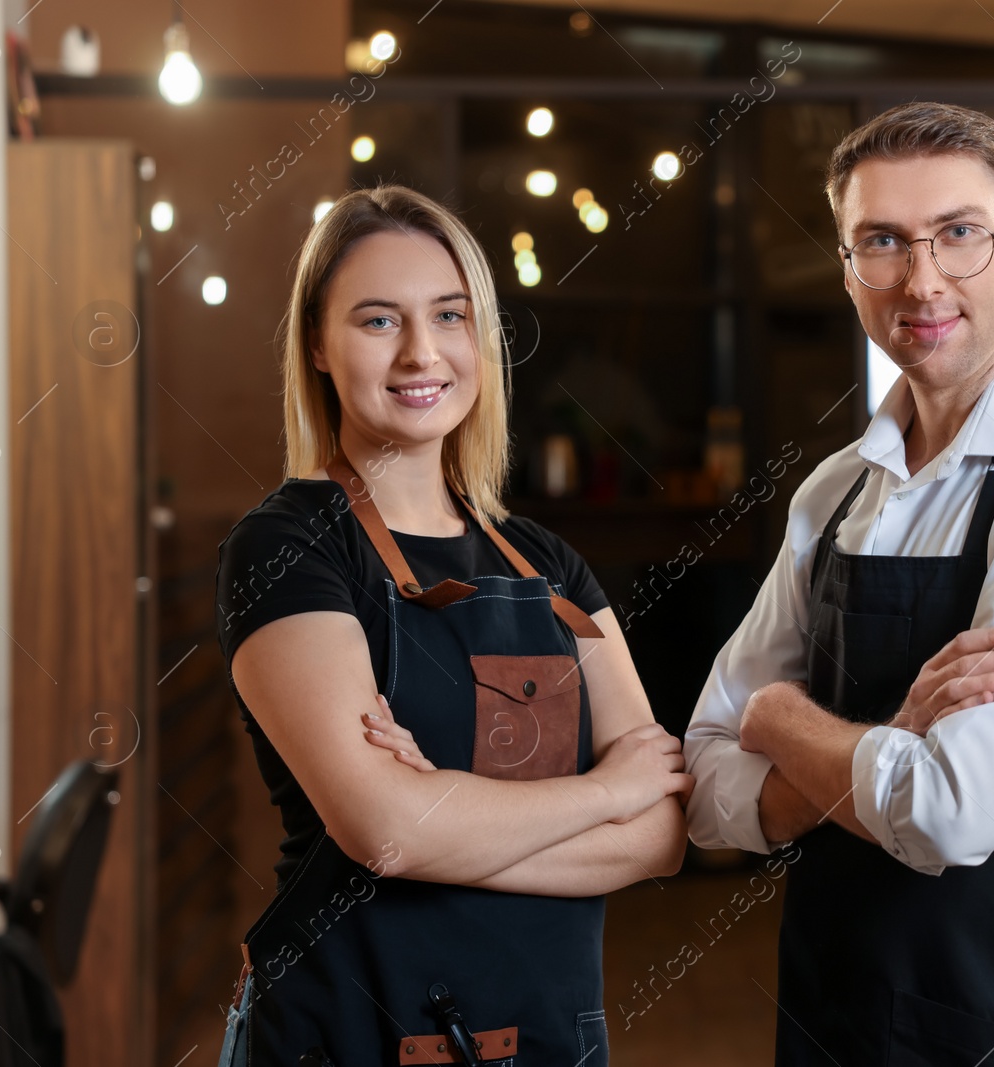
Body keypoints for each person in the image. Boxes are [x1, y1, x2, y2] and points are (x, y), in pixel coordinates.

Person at [684, 102, 994, 1066]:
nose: (921, 281)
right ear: (847, 268)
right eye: (882, 241)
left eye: (959, 234)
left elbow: (950, 811)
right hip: (831, 1016)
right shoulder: (833, 491)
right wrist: (886, 743)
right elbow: (707, 785)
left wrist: (785, 719)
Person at [213, 185, 691, 1067]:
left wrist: (434, 826)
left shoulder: (547, 561)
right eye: (377, 321)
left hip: (548, 1038)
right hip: (348, 1036)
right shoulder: (286, 548)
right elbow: (387, 830)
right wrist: (604, 793)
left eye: (449, 316)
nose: (421, 353)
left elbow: (663, 834)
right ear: (317, 344)